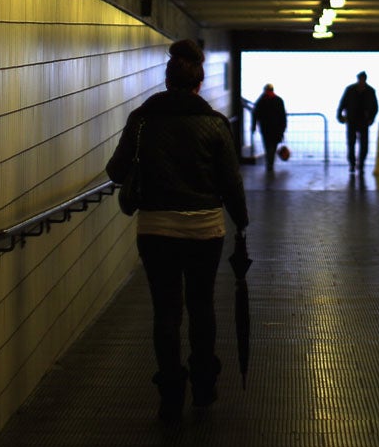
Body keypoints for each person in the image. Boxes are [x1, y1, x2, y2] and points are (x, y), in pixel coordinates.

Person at [106, 39, 249, 419]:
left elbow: (116, 171)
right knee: (202, 306)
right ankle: (203, 386)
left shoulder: (142, 119)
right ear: (199, 84)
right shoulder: (215, 124)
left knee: (166, 311)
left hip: (156, 228)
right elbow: (232, 183)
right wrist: (242, 224)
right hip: (205, 229)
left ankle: (170, 393)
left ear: (167, 81)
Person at [335, 70, 379, 173]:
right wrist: (339, 115)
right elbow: (343, 103)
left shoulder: (369, 91)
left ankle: (361, 164)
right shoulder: (351, 90)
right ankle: (352, 164)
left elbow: (375, 107)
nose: (361, 81)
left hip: (362, 121)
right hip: (352, 120)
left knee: (363, 144)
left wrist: (371, 117)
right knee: (351, 143)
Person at [250, 82, 288, 162]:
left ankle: (269, 161)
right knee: (273, 145)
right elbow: (283, 116)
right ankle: (270, 161)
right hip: (276, 129)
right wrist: (283, 127)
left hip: (265, 128)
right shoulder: (279, 100)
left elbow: (255, 114)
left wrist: (253, 126)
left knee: (267, 145)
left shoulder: (261, 101)